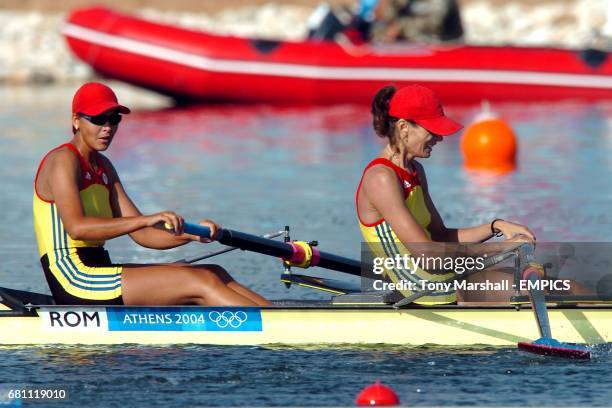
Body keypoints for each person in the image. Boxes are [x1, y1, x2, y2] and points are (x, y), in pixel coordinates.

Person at [33, 82, 270, 307]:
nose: (107, 127)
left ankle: (285, 318)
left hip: (97, 269)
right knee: (200, 281)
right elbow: (78, 228)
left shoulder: (103, 166)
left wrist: (192, 235)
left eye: (114, 119)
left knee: (214, 271)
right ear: (76, 121)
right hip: (73, 278)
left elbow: (144, 234)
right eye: (98, 119)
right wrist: (146, 218)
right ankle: (274, 328)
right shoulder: (63, 160)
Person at [356, 84, 536, 304]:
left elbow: (440, 236)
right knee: (544, 288)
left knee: (547, 280)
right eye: (432, 131)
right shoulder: (381, 178)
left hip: (439, 276)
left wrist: (496, 226)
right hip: (419, 289)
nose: (439, 138)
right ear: (404, 128)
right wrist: (502, 248)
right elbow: (428, 256)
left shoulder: (415, 171)